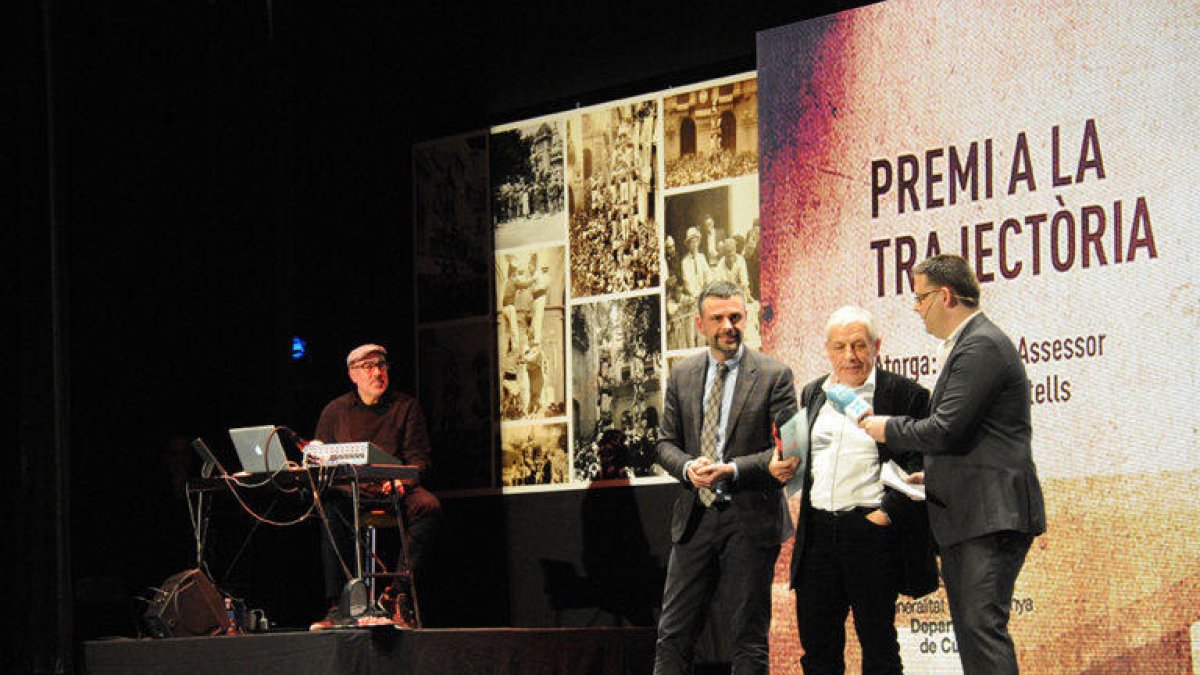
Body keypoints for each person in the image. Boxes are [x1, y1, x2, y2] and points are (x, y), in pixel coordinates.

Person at [860, 255, 1046, 674]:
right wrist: (937, 473)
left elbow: (944, 428)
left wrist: (885, 428)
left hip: (989, 519)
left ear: (945, 296)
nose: (915, 307)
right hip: (976, 514)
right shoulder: (973, 344)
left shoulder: (979, 345)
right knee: (975, 638)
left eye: (920, 296)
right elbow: (973, 435)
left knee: (982, 635)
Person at [770, 306, 937, 674]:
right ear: (828, 350)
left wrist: (884, 515)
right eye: (841, 346)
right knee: (817, 649)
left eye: (860, 345)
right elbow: (799, 455)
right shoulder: (814, 392)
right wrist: (781, 465)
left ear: (877, 346)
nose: (851, 356)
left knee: (878, 647)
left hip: (870, 533)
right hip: (816, 536)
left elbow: (921, 464)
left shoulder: (905, 395)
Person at [654, 280, 797, 674]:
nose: (728, 325)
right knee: (673, 634)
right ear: (701, 324)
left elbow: (792, 451)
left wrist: (733, 470)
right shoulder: (681, 375)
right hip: (695, 518)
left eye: (735, 316)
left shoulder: (775, 374)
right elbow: (665, 443)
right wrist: (686, 467)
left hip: (749, 518)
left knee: (748, 638)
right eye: (718, 318)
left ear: (745, 318)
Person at [310, 343, 443, 629]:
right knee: (328, 507)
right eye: (368, 368)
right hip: (352, 493)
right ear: (352, 375)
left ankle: (394, 595)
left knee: (428, 506)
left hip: (393, 489)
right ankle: (337, 606)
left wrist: (401, 480)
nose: (377, 373)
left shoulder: (406, 407)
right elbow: (319, 457)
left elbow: (420, 460)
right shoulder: (335, 411)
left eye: (381, 366)